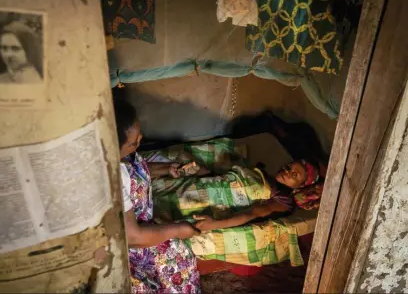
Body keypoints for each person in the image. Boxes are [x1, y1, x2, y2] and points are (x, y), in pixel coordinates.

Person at [115, 99, 201, 293]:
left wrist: (167, 169)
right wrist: (177, 230)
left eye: (140, 137)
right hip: (130, 245)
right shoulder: (112, 176)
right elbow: (134, 237)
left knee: (181, 254)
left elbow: (135, 171)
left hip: (143, 229)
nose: (138, 144)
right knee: (179, 260)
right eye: (132, 143)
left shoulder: (125, 157)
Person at [191, 158, 322, 232]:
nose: (287, 172)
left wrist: (215, 225)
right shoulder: (266, 177)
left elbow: (252, 214)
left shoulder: (284, 201)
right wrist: (205, 172)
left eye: (294, 175)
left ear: (300, 187)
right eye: (288, 167)